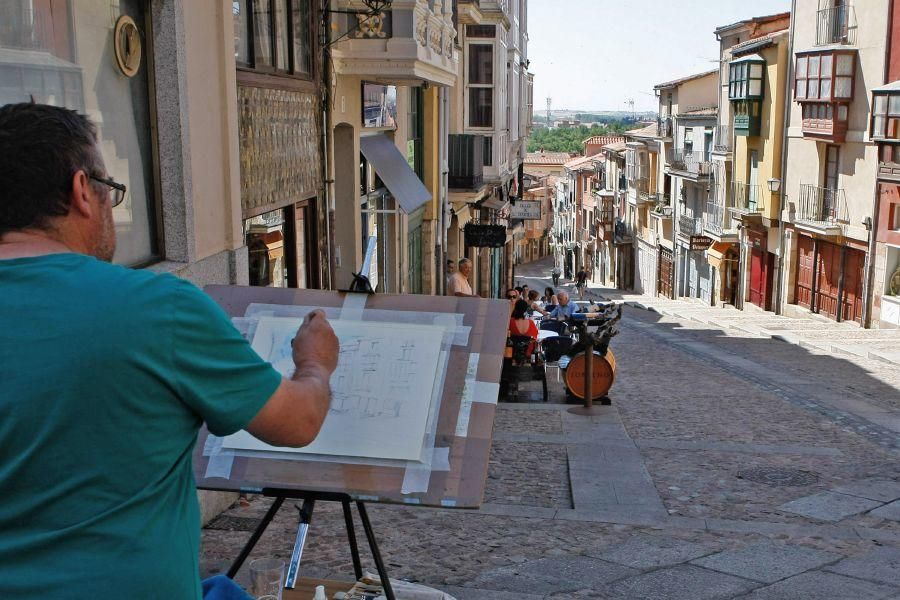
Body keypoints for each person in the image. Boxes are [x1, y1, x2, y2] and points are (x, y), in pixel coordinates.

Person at [0, 103, 340, 598]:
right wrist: (315, 363)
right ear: (81, 192)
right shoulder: (157, 309)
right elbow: (297, 421)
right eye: (110, 192)